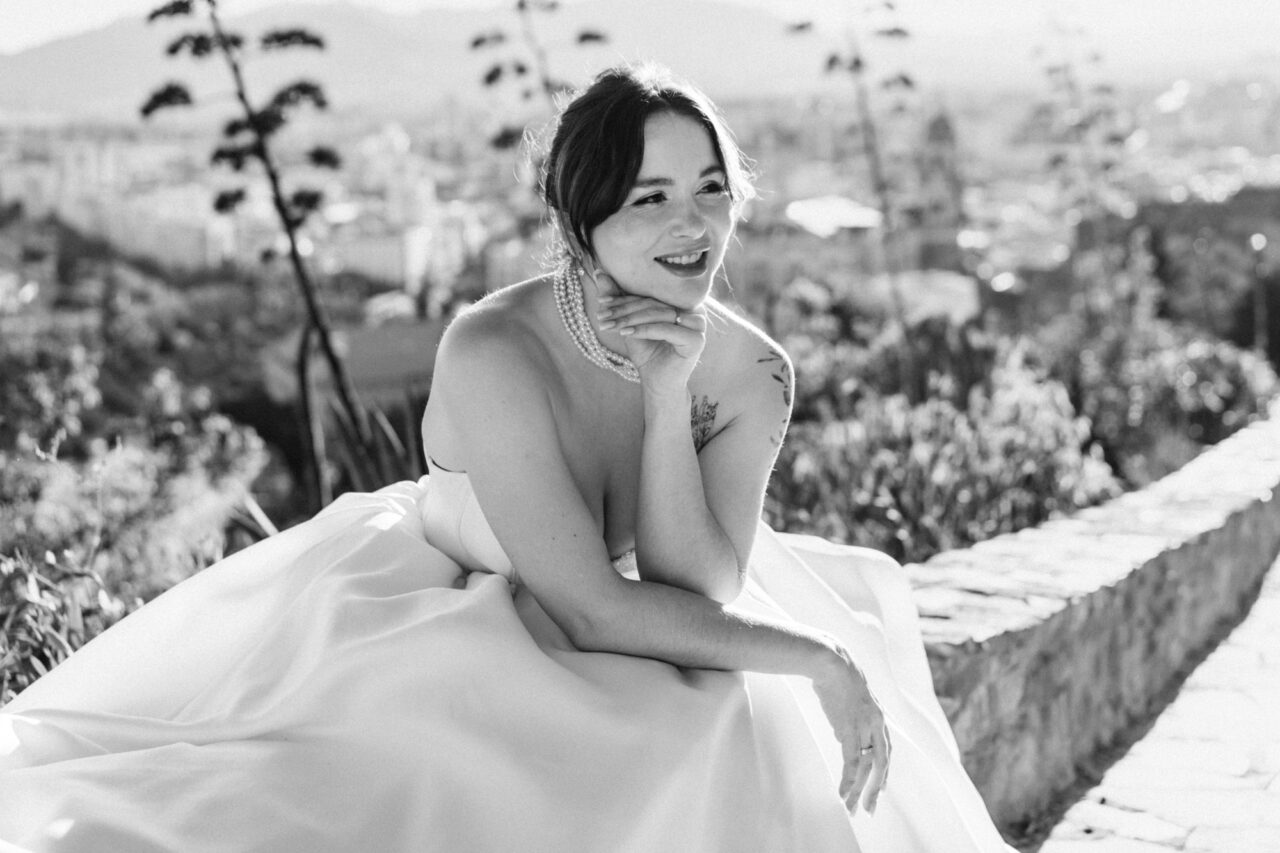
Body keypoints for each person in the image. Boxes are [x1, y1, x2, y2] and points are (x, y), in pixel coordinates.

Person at [0, 65, 1015, 852]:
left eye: (710, 189)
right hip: (441, 604)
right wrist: (821, 659)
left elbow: (696, 583)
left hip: (636, 615)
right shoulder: (495, 348)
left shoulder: (752, 373)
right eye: (647, 198)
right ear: (580, 221)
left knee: (739, 726)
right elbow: (583, 605)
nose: (691, 224)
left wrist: (666, 399)